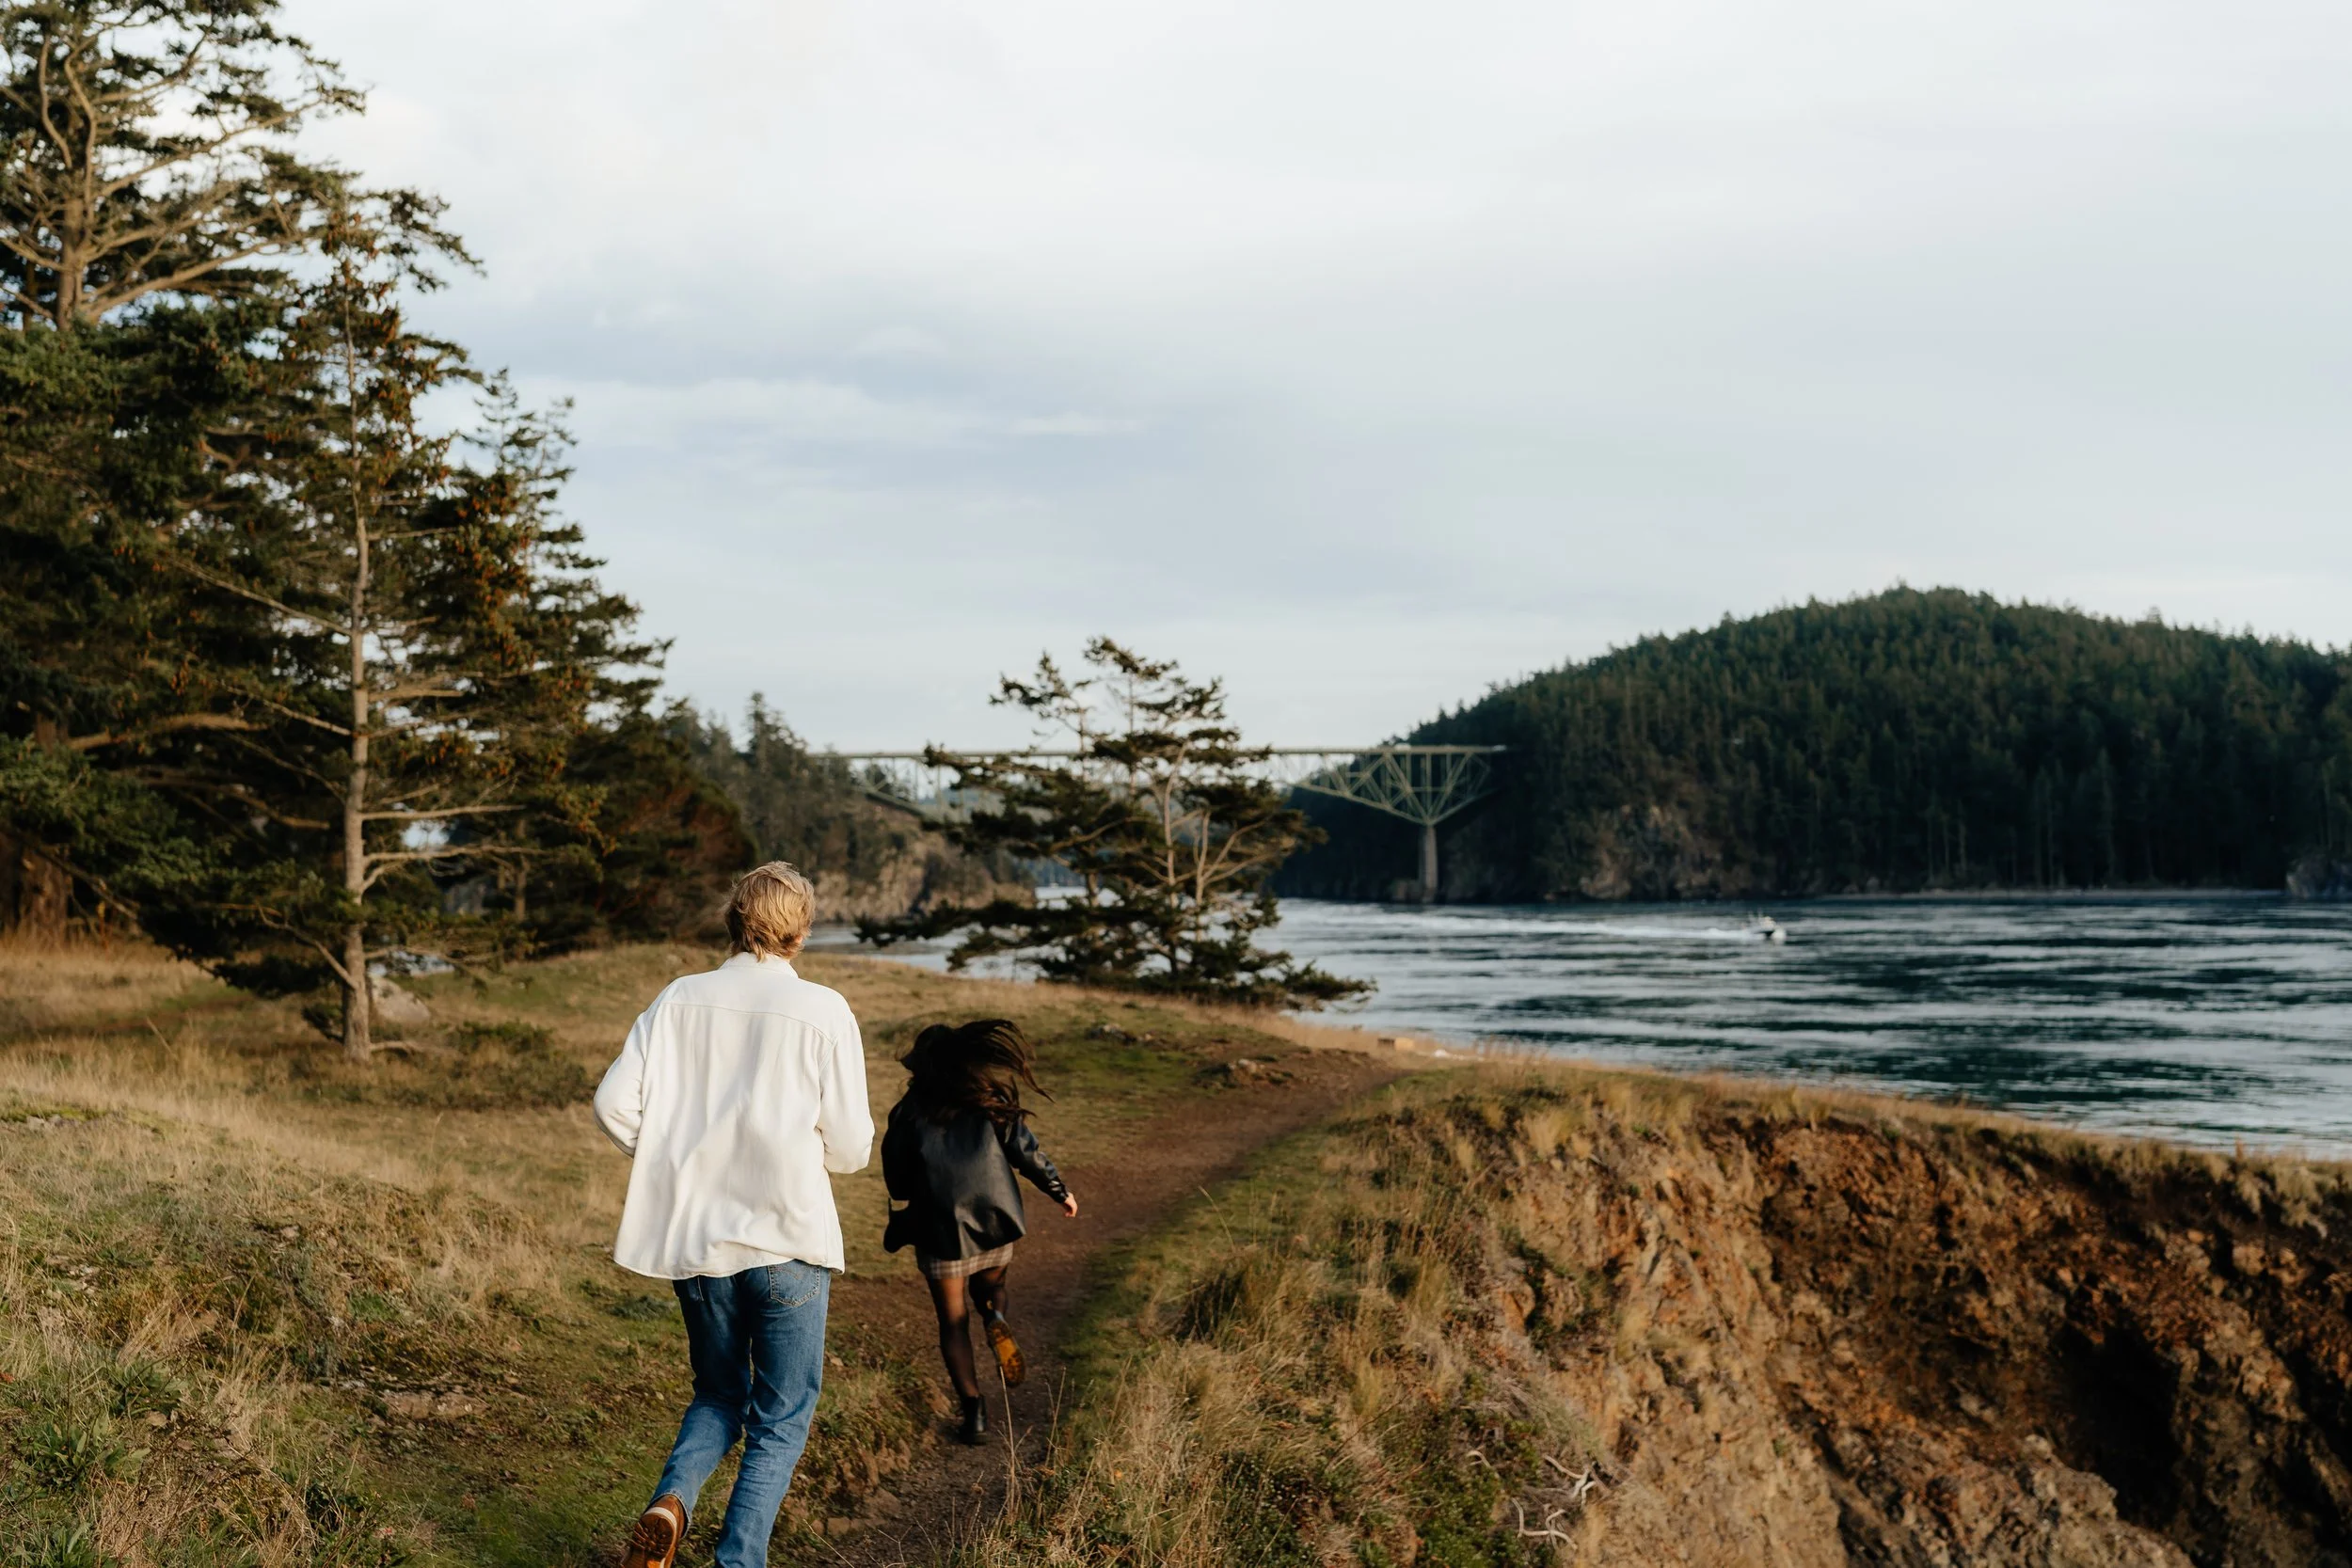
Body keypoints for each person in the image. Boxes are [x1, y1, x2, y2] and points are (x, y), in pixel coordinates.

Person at [594, 862, 874, 1568]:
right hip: (790, 1241)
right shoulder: (826, 1009)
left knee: (719, 1391)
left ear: (732, 917)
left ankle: (671, 1502)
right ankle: (737, 1561)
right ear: (801, 930)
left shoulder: (678, 997)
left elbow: (612, 1103)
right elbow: (851, 1148)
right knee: (780, 1421)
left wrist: (671, 1156)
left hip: (699, 1241)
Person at [881, 1019, 1079, 1445]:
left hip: (941, 1230)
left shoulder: (907, 1113)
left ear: (920, 1067)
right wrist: (1059, 1191)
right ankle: (995, 1316)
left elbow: (896, 1179)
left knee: (952, 1323)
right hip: (994, 1221)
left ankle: (974, 1414)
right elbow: (1025, 1151)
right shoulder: (988, 1100)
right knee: (990, 1288)